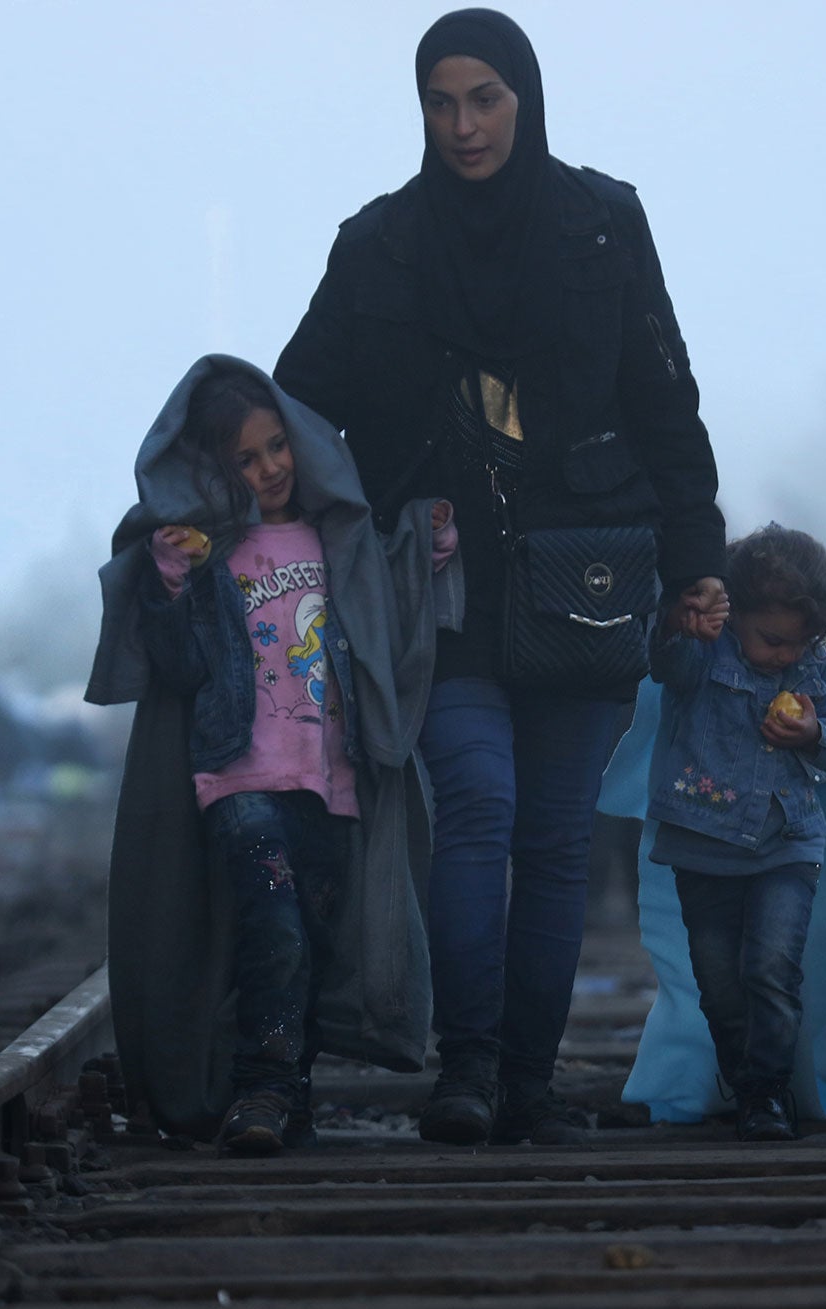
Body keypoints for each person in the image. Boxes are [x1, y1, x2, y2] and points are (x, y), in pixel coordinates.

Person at [275, 8, 727, 1146]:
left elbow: (664, 402)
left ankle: (528, 1081)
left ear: (523, 99)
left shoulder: (600, 227)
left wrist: (696, 566)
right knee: (476, 808)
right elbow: (295, 402)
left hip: (586, 581)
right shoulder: (378, 246)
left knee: (556, 838)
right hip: (444, 594)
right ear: (419, 109)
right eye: (440, 100)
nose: (463, 124)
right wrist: (217, 499)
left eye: (484, 98)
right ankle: (466, 1071)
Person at [84, 357, 459, 1152]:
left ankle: (289, 1091)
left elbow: (388, 616)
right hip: (240, 775)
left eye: (276, 447)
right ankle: (259, 1091)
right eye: (245, 459)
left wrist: (429, 545)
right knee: (275, 925)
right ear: (217, 470)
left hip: (331, 782)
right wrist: (173, 579)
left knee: (312, 943)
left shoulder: (336, 536)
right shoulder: (210, 550)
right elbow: (179, 669)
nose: (269, 469)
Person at [643, 525, 826, 1140]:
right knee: (720, 985)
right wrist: (683, 626)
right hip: (702, 845)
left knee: (771, 970)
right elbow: (664, 665)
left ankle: (767, 1091)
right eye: (772, 640)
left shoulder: (809, 666)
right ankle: (740, 1076)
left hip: (787, 843)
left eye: (800, 643)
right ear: (734, 614)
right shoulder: (704, 651)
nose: (787, 655)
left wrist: (814, 734)